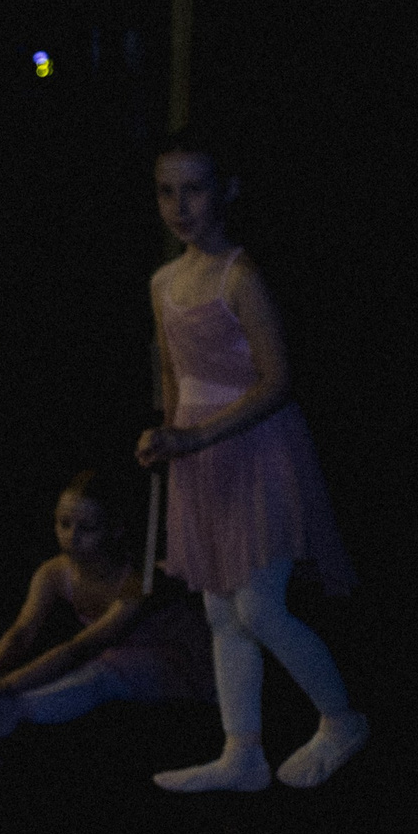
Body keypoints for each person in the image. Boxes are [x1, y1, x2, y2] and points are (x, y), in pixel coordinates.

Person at [140, 133, 365, 793]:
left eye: (195, 189)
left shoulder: (240, 277)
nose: (180, 205)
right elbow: (174, 377)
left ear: (227, 190)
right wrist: (167, 437)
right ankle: (242, 752)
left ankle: (342, 720)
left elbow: (276, 380)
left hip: (257, 451)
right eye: (167, 192)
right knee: (220, 612)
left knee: (260, 607)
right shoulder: (163, 282)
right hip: (199, 461)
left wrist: (199, 437)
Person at [0, 468, 213, 733]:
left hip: (186, 667)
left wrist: (6, 686)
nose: (71, 537)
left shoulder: (140, 578)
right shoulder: (54, 572)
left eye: (87, 528)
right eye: (64, 524)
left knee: (101, 671)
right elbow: (21, 633)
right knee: (100, 666)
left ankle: (11, 709)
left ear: (115, 529)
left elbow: (82, 647)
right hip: (126, 662)